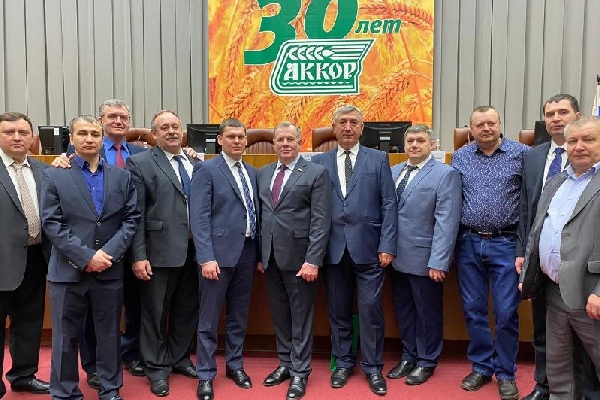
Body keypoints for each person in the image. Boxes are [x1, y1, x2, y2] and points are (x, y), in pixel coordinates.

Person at [41, 115, 140, 400]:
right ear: (71, 139)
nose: (89, 139)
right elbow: (52, 223)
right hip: (68, 271)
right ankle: (65, 392)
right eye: (82, 133)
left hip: (109, 269)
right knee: (65, 337)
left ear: (102, 138)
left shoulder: (121, 177)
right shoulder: (54, 175)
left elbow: (131, 219)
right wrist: (86, 257)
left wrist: (107, 254)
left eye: (95, 134)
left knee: (109, 334)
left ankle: (110, 389)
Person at [311, 105, 397, 396]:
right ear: (334, 128)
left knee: (371, 311)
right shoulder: (319, 161)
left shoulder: (378, 159)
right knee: (338, 311)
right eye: (342, 122)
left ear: (362, 128)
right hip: (333, 249)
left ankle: (373, 368)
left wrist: (387, 244)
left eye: (353, 122)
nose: (348, 127)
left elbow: (389, 204)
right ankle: (344, 363)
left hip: (370, 249)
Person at [451, 105, 529, 400]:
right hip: (468, 242)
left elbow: (529, 200)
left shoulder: (522, 154)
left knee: (506, 312)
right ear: (470, 129)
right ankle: (482, 367)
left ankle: (506, 373)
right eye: (479, 124)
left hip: (506, 243)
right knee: (473, 310)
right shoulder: (460, 157)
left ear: (500, 124)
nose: (486, 128)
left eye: (491, 123)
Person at [520, 116, 600, 399]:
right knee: (560, 369)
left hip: (590, 293)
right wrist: (530, 274)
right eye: (573, 140)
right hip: (554, 291)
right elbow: (538, 231)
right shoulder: (556, 182)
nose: (579, 146)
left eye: (589, 139)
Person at [125, 110, 199, 397]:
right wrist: (138, 255)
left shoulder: (194, 162)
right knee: (154, 313)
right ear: (154, 135)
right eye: (164, 127)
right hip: (157, 252)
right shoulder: (140, 163)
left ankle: (179, 358)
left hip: (194, 251)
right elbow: (136, 214)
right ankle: (156, 368)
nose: (171, 131)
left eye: (175, 126)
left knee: (186, 308)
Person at [258, 122, 331, 400]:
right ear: (274, 144)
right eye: (280, 140)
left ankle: (300, 371)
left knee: (300, 318)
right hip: (270, 258)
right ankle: (285, 363)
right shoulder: (263, 173)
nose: (285, 144)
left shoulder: (315, 173)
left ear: (300, 143)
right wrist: (261, 255)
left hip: (301, 260)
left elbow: (321, 221)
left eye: (290, 139)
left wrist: (313, 260)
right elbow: (263, 216)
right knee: (279, 316)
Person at [516, 94, 581, 400]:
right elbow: (525, 209)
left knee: (582, 332)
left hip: (578, 260)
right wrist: (522, 252)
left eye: (563, 112)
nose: (556, 118)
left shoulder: (589, 155)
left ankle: (582, 390)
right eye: (550, 114)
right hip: (541, 259)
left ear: (577, 116)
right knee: (542, 328)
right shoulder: (535, 156)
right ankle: (543, 386)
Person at [387, 125, 462, 385]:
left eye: (420, 140)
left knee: (427, 313)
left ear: (432, 144)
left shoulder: (445, 174)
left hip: (426, 258)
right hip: (395, 257)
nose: (414, 145)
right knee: (404, 310)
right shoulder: (394, 171)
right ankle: (408, 355)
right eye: (410, 140)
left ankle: (427, 360)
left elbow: (446, 222)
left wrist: (439, 261)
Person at [190, 118, 259, 400]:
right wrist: (206, 257)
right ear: (220, 140)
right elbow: (199, 218)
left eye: (241, 137)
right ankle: (206, 374)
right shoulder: (206, 169)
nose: (237, 141)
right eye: (231, 136)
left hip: (247, 252)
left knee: (238, 316)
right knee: (208, 320)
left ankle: (235, 365)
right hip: (216, 256)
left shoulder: (252, 172)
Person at [0, 112, 50, 398]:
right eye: (9, 132)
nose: (17, 137)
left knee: (29, 320)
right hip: (1, 258)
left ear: (32, 137)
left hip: (35, 258)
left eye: (23, 132)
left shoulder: (44, 170)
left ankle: (23, 375)